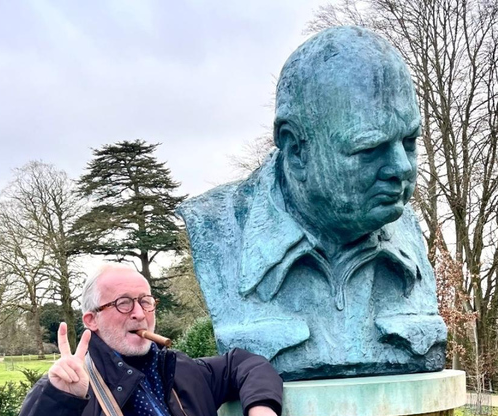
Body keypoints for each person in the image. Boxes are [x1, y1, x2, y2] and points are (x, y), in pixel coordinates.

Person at [178, 26, 447, 381]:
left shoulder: (408, 231)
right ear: (296, 149)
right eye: (369, 149)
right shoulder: (216, 229)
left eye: (409, 142)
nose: (400, 168)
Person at [0, 263, 286, 416]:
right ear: (91, 320)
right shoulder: (63, 392)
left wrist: (261, 406)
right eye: (123, 303)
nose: (139, 313)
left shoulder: (180, 371)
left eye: (145, 301)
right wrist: (60, 405)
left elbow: (244, 363)